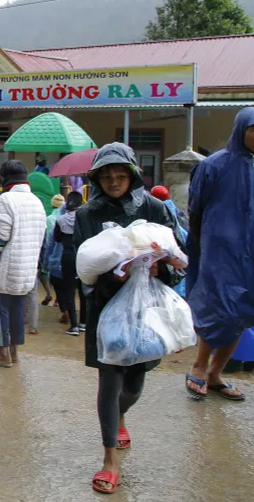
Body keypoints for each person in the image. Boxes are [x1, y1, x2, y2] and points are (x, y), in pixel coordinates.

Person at [73, 143, 186, 494]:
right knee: (110, 380)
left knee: (134, 383)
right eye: (105, 174)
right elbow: (82, 268)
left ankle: (121, 416)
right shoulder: (87, 214)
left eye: (120, 173)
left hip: (145, 310)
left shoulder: (154, 207)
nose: (112, 179)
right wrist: (113, 277)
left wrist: (158, 269)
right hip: (105, 308)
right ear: (96, 177)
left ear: (133, 174)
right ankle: (109, 460)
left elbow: (175, 257)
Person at [185, 107, 254, 402]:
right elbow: (195, 209)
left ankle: (216, 373)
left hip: (250, 254)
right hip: (218, 251)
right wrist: (205, 244)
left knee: (243, 311)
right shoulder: (213, 165)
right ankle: (199, 366)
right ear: (241, 130)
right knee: (217, 308)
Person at [0, 161, 46, 367]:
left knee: (0, 308)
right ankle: (15, 352)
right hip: (28, 266)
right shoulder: (37, 201)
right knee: (18, 308)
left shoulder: (6, 199)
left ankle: (2, 354)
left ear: (4, 179)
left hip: (8, 264)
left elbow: (1, 234)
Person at [52, 192, 83, 336]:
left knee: (69, 290)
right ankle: (84, 322)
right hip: (83, 255)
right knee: (84, 289)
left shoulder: (61, 219)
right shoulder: (84, 217)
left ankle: (74, 325)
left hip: (68, 256)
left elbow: (57, 238)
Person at [39, 194, 66, 306]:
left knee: (44, 272)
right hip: (63, 252)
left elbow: (47, 239)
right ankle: (58, 299)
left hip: (49, 250)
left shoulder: (48, 219)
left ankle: (48, 293)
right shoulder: (66, 218)